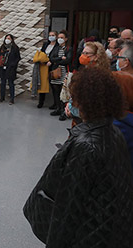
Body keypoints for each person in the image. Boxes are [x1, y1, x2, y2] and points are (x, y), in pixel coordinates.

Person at [23, 66, 133, 248]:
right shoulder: (113, 132)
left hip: (86, 233)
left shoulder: (86, 146)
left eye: (75, 97)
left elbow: (67, 207)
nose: (72, 102)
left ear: (86, 101)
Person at [49, 31, 72, 117]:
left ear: (66, 39)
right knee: (55, 90)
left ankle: (63, 110)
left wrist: (58, 61)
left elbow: (68, 60)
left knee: (64, 91)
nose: (60, 39)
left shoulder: (69, 48)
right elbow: (51, 58)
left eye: (62, 37)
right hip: (55, 71)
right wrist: (60, 58)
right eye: (59, 37)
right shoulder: (56, 48)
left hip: (64, 72)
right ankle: (58, 108)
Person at [35, 31, 58, 108]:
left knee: (53, 85)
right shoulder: (46, 44)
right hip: (43, 66)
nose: (51, 37)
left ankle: (56, 103)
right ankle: (41, 102)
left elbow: (58, 56)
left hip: (53, 67)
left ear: (56, 36)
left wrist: (51, 61)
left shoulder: (58, 46)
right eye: (50, 35)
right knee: (42, 84)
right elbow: (41, 53)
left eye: (53, 35)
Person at [0, 34, 20, 105]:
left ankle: (12, 99)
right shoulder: (2, 47)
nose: (7, 40)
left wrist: (12, 65)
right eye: (6, 38)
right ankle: (2, 97)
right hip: (2, 67)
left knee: (11, 83)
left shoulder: (15, 48)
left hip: (10, 68)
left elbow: (18, 58)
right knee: (2, 83)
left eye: (9, 38)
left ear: (12, 40)